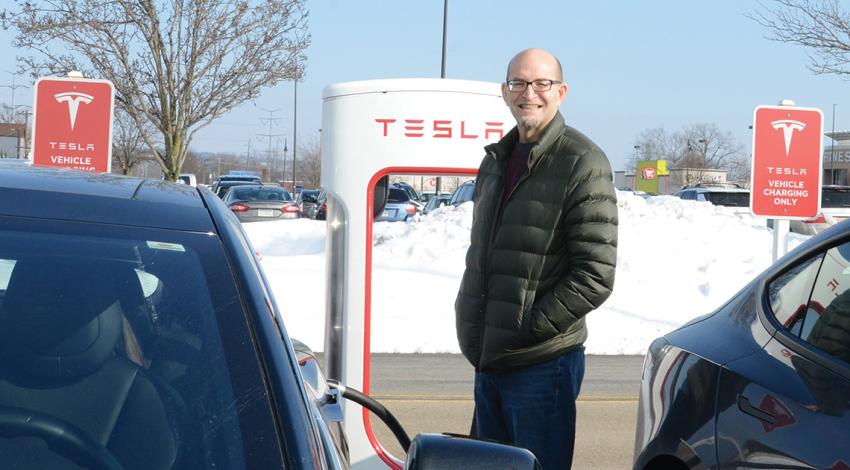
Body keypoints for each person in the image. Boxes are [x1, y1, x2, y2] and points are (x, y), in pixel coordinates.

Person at [455, 48, 618, 469]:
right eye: (519, 83)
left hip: (542, 366)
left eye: (541, 83)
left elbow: (594, 275)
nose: (530, 93)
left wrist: (526, 328)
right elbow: (485, 254)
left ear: (561, 92)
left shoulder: (582, 162)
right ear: (505, 92)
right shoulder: (495, 161)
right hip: (491, 359)